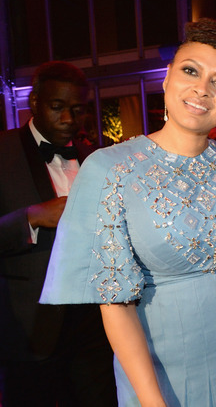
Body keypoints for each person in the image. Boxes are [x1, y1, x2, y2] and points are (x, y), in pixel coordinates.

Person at [39, 19, 216, 406]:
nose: (202, 89)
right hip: (165, 375)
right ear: (167, 77)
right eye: (190, 71)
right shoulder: (110, 169)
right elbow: (115, 305)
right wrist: (153, 401)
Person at [0, 61, 117, 406]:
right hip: (31, 327)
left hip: (94, 322)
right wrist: (32, 217)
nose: (68, 119)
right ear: (34, 102)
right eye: (57, 106)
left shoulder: (94, 158)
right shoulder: (3, 151)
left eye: (77, 109)